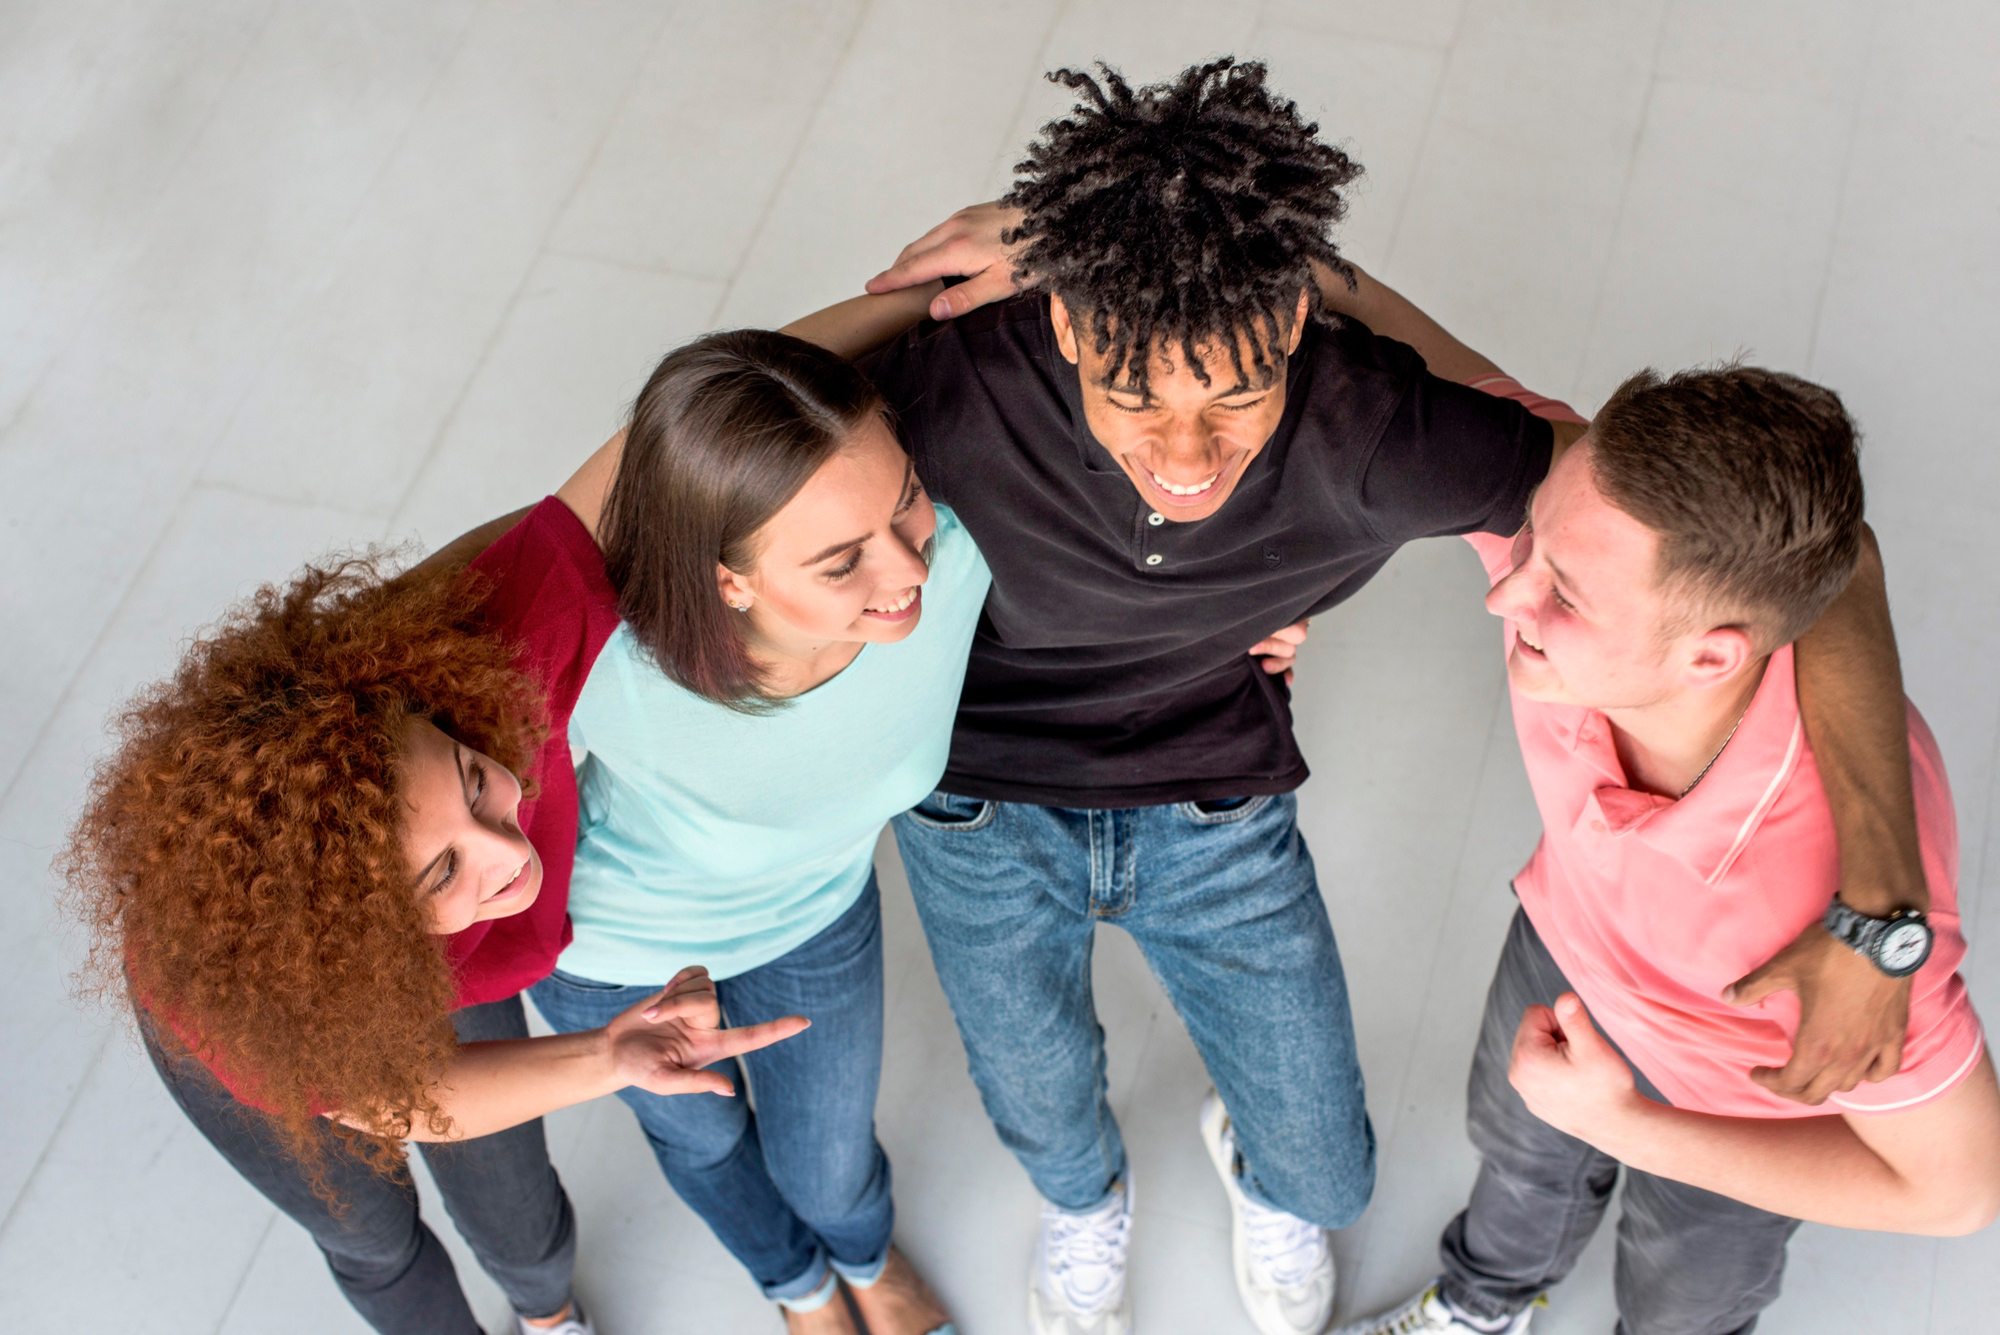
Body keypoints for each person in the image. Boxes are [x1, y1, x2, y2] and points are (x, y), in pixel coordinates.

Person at [836, 57, 1932, 1335]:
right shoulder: (949, 389)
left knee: (1325, 1170)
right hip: (973, 797)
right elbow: (707, 439)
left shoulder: (1375, 433)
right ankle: (1085, 1205)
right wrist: (1026, 250)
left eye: (1236, 393)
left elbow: (1804, 554)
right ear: (1068, 325)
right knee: (1034, 1094)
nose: (1184, 457)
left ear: (1292, 322)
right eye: (1132, 394)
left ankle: (1258, 1175)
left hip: (1212, 795)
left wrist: (1880, 907)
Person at [1330, 365, 2000, 1335]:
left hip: (1736, 1107)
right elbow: (1361, 331)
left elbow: (1957, 1192)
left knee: (1681, 1298)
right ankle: (1481, 1301)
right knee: (1516, 1162)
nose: (1505, 594)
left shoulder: (1845, 916)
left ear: (1711, 656)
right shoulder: (1586, 533)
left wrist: (1626, 1127)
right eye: (1530, 545)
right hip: (1565, 954)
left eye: (1563, 594)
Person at [61, 499, 807, 1335]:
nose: (511, 849)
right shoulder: (261, 1001)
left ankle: (549, 1315)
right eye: (444, 867)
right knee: (370, 1235)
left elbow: (652, 473)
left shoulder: (485, 669)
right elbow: (401, 1102)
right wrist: (604, 1056)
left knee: (516, 1206)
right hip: (283, 1023)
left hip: (415, 942)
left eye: (472, 781)